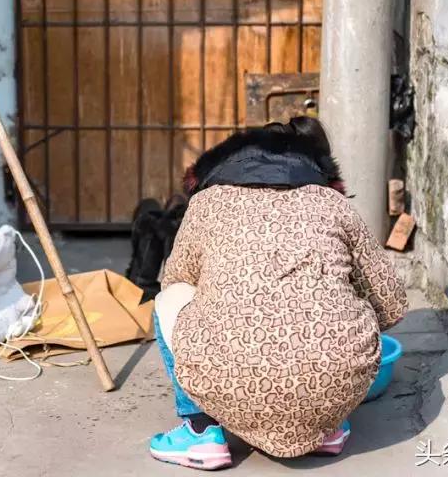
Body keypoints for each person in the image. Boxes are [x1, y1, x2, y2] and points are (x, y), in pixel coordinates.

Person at [149, 117, 408, 470]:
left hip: (227, 375)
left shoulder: (207, 203)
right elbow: (391, 304)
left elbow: (177, 282)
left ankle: (201, 430)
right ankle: (325, 427)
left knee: (168, 300)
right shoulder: (332, 204)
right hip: (332, 386)